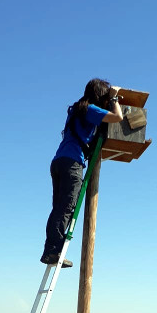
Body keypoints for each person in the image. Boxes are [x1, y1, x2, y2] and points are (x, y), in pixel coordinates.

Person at [41, 78, 124, 268]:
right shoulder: (91, 110)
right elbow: (117, 117)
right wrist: (115, 99)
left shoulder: (77, 109)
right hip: (72, 163)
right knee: (66, 207)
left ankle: (51, 249)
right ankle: (52, 251)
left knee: (60, 208)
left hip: (59, 161)